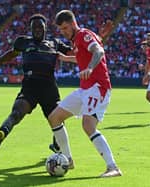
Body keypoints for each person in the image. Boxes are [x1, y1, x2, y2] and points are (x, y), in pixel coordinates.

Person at [0, 13, 114, 154]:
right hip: (30, 85)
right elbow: (8, 56)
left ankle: (58, 148)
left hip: (49, 88)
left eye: (39, 26)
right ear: (30, 29)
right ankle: (1, 133)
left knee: (57, 118)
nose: (36, 29)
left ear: (45, 28)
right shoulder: (22, 42)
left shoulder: (55, 43)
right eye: (33, 26)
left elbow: (82, 52)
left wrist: (100, 38)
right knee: (17, 112)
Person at [48, 10, 122, 178]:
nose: (64, 32)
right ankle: (67, 159)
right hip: (85, 89)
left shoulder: (83, 34)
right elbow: (82, 57)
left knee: (88, 125)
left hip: (98, 87)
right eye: (61, 30)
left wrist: (89, 68)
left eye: (66, 28)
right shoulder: (77, 40)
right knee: (54, 118)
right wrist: (64, 58)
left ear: (73, 24)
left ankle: (113, 167)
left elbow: (99, 52)